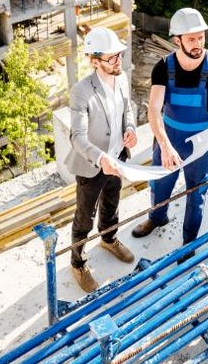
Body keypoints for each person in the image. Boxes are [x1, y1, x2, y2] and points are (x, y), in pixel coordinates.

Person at [132, 8, 208, 246]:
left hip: (203, 142)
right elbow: (153, 110)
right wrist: (165, 146)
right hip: (169, 137)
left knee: (196, 194)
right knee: (160, 185)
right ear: (177, 40)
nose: (198, 44)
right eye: (191, 39)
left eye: (201, 37)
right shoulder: (163, 67)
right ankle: (157, 218)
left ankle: (188, 242)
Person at [65, 27, 138, 292]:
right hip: (92, 165)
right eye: (111, 58)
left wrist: (130, 128)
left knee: (112, 202)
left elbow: (127, 109)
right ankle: (78, 262)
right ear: (94, 61)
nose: (118, 62)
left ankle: (109, 238)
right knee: (84, 217)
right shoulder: (82, 91)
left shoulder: (123, 78)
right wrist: (101, 158)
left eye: (119, 55)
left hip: (117, 157)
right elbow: (77, 137)